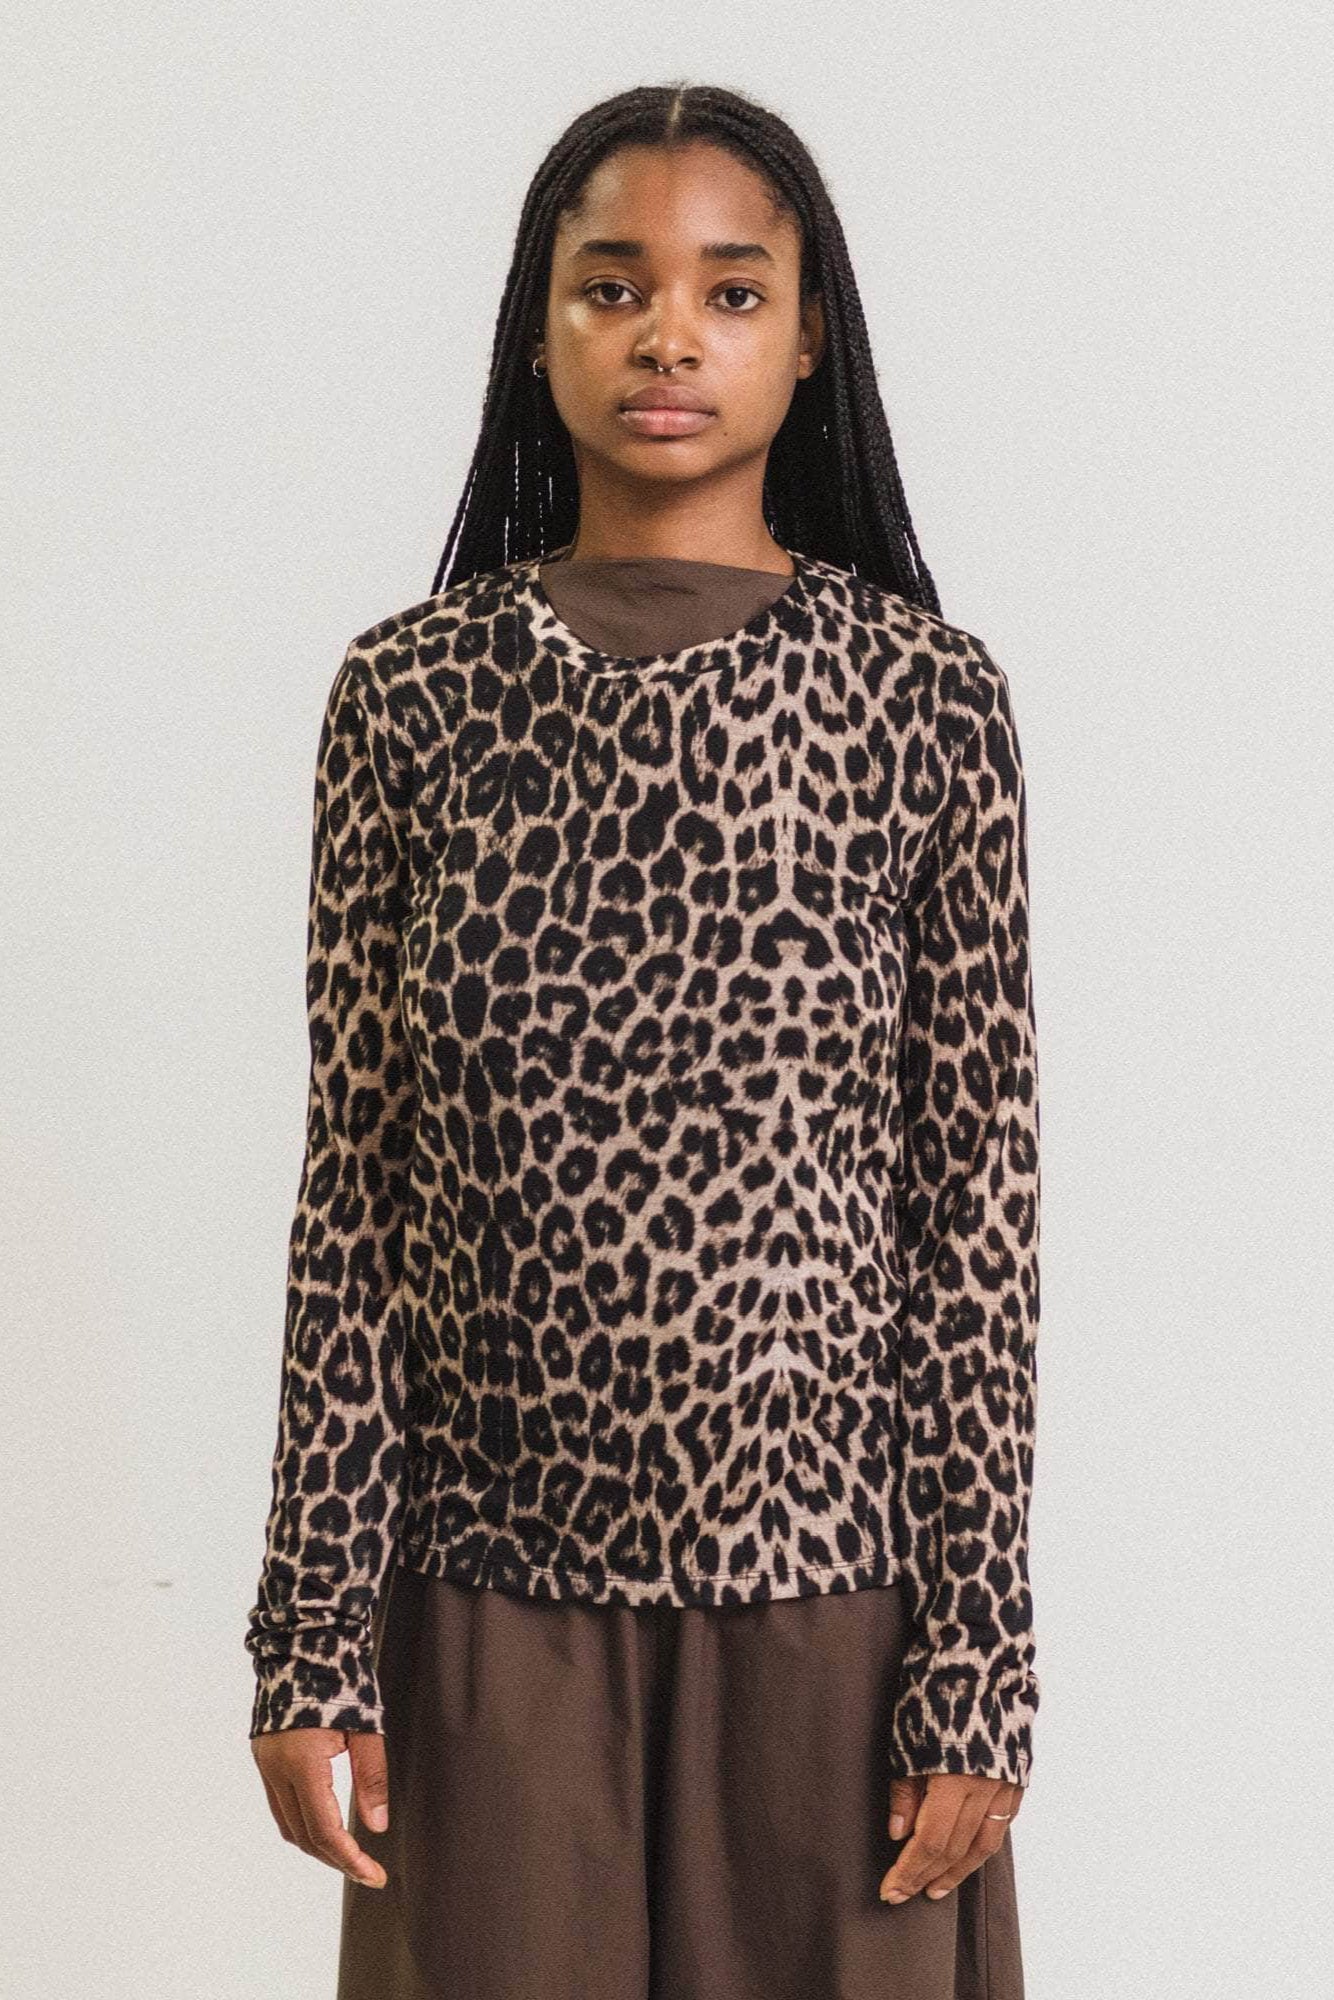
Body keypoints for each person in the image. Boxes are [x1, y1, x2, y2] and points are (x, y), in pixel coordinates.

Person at [244, 81, 1042, 2000]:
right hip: (485, 1603)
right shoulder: (410, 700)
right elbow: (355, 1198)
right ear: (538, 329)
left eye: (729, 292)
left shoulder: (921, 703)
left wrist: (977, 1659)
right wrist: (308, 1633)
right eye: (611, 287)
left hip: (834, 1613)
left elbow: (975, 1219)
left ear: (808, 337)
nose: (668, 336)